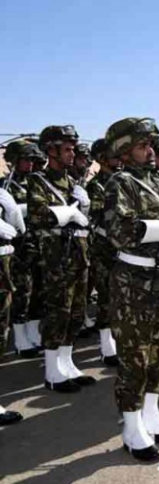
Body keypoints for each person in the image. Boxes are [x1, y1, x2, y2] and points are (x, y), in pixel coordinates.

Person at [104, 117, 159, 462]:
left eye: (151, 144)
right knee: (135, 358)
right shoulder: (120, 183)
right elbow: (120, 231)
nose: (150, 151)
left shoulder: (156, 182)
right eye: (142, 145)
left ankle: (151, 414)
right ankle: (131, 427)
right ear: (124, 151)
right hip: (134, 285)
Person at [28, 125, 94, 393]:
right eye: (66, 149)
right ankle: (53, 371)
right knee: (58, 312)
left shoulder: (72, 182)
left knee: (76, 313)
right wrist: (67, 213)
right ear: (51, 151)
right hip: (57, 258)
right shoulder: (39, 181)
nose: (72, 154)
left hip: (79, 254)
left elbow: (85, 220)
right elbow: (37, 214)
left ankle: (67, 363)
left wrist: (85, 206)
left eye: (72, 149)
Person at [1, 139, 43, 358]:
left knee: (38, 290)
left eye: (31, 160)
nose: (29, 164)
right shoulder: (4, 186)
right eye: (25, 159)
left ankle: (33, 331)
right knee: (22, 292)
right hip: (19, 248)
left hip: (38, 243)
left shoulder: (36, 182)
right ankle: (19, 337)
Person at [86, 138, 121, 366]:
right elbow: (100, 215)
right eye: (113, 154)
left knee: (120, 297)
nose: (118, 158)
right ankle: (107, 347)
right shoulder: (96, 185)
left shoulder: (121, 180)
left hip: (121, 247)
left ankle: (118, 340)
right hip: (104, 248)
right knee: (106, 296)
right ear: (101, 158)